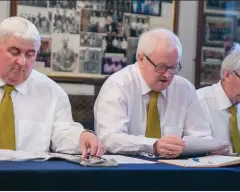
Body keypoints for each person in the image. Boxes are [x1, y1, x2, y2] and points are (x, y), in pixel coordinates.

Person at [0, 16, 105, 160]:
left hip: (30, 179)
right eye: (14, 52)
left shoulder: (51, 91)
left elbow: (63, 133)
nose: (22, 62)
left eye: (30, 55)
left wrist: (82, 137)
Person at [94, 28, 228, 158]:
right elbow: (109, 138)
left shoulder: (184, 88)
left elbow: (201, 135)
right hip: (126, 171)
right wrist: (153, 145)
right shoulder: (118, 85)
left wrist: (211, 147)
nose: (168, 75)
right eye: (161, 67)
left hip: (174, 171)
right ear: (141, 59)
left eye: (173, 67)